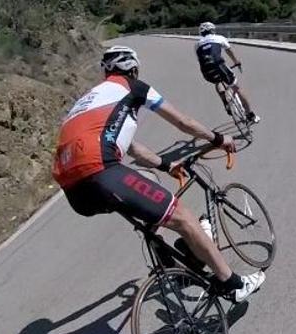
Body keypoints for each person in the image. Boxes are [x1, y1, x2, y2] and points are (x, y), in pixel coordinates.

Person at [51, 45, 265, 301]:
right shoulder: (133, 87)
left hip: (75, 192)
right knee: (183, 217)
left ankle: (169, 260)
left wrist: (165, 165)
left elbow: (130, 147)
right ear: (133, 68)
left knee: (148, 181)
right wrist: (218, 138)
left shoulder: (87, 103)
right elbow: (183, 122)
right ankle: (232, 283)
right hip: (100, 170)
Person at [195, 22, 259, 124]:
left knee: (217, 82)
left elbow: (200, 59)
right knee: (236, 88)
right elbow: (229, 51)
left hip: (206, 71)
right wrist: (236, 62)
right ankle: (250, 115)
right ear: (213, 30)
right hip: (220, 66)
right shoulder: (219, 38)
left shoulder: (197, 44)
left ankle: (225, 101)